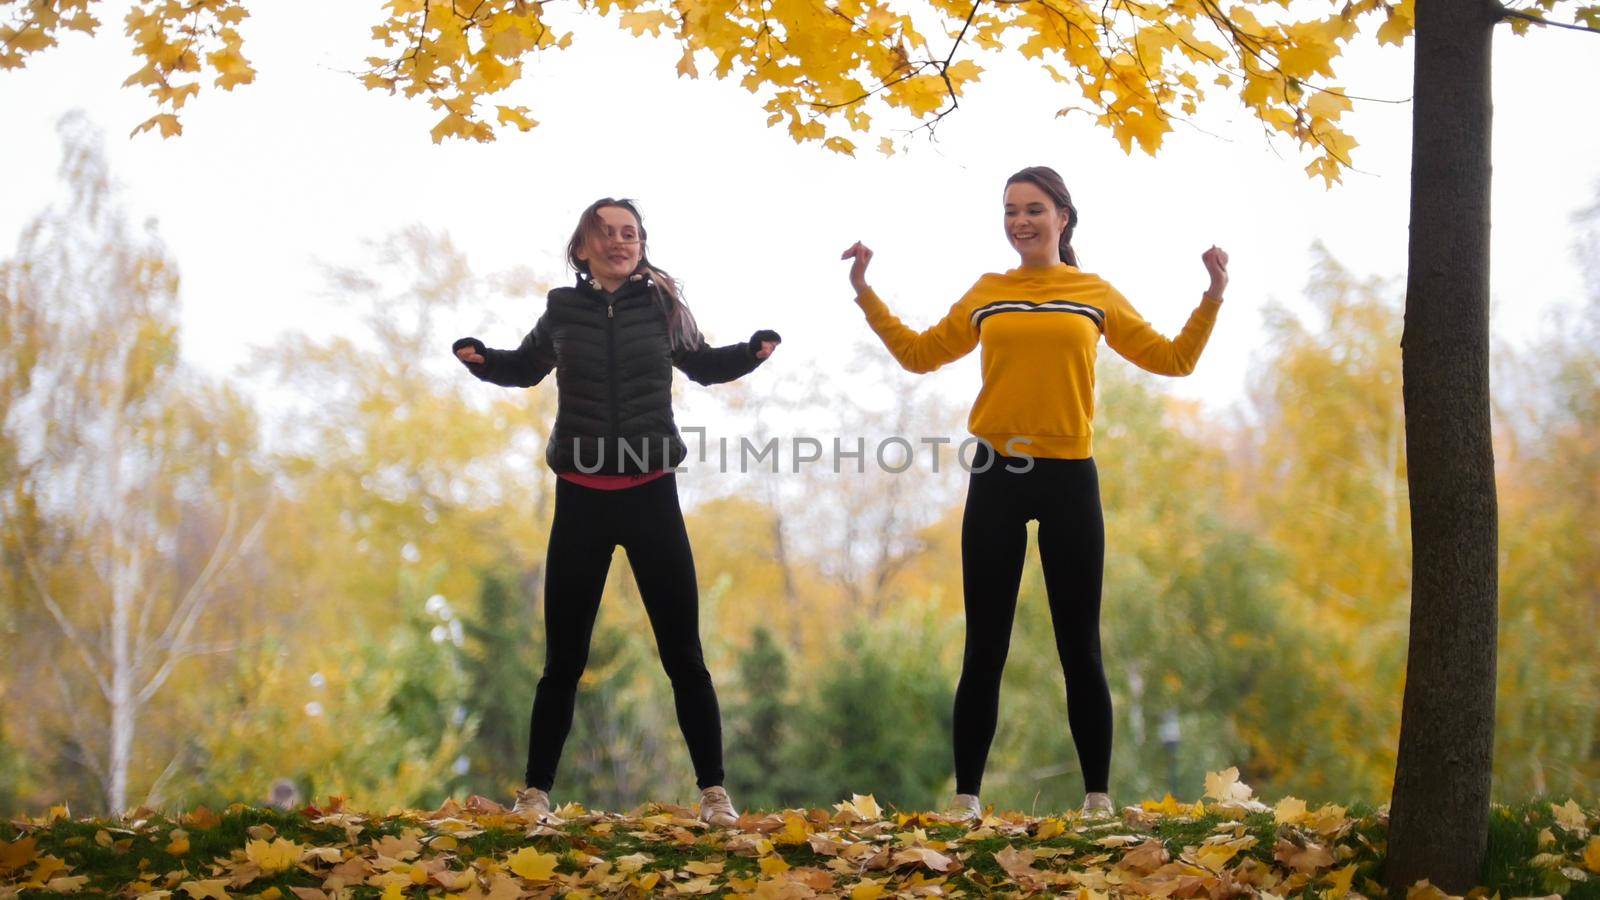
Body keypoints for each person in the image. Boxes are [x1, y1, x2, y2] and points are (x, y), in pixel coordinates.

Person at [840, 166, 1228, 821]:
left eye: (1034, 210)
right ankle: (966, 799)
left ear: (1063, 217)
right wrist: (864, 292)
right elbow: (918, 353)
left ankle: (1098, 800)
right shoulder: (990, 292)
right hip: (998, 474)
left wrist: (1213, 296)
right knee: (984, 646)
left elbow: (1172, 360)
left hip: (1070, 477)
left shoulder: (1091, 293)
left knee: (1081, 645)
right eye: (1011, 211)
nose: (1021, 221)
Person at [454, 197, 780, 826]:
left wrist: (751, 351)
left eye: (628, 233)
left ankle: (714, 795)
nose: (617, 242)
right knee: (563, 661)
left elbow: (705, 364)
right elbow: (525, 369)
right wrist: (483, 360)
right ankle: (534, 796)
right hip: (580, 498)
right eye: (603, 234)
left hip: (651, 494)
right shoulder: (562, 309)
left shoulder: (660, 308)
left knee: (683, 653)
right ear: (581, 248)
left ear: (641, 244)